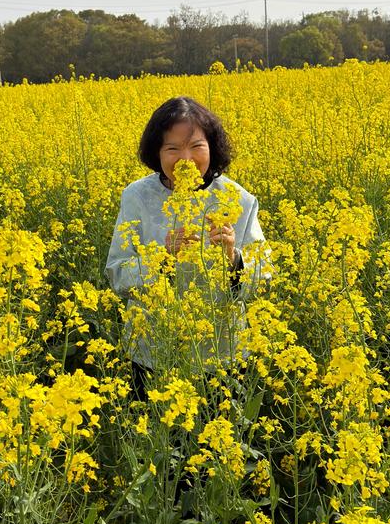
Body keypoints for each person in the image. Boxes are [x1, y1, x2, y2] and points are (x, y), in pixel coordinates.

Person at [105, 96, 270, 394]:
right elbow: (117, 275)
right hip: (153, 353)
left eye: (196, 146)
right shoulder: (137, 197)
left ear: (212, 148)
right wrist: (162, 258)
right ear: (157, 153)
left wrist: (233, 258)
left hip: (221, 354)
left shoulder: (239, 199)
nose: (186, 159)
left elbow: (264, 278)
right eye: (172, 149)